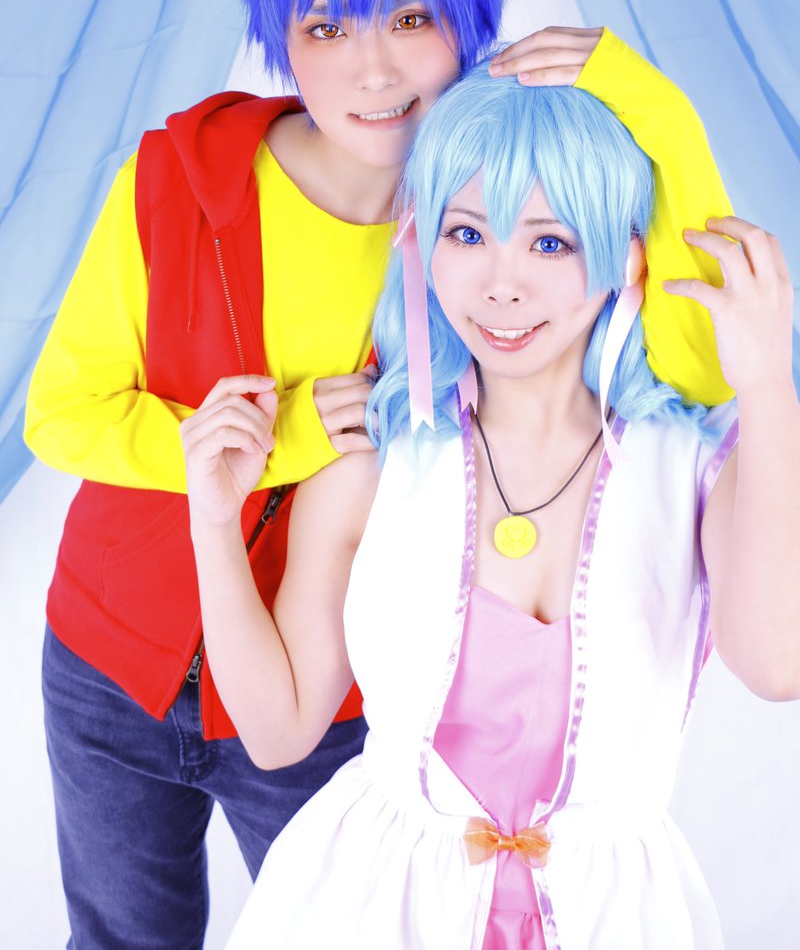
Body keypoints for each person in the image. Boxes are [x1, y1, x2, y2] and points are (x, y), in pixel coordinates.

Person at [25, 0, 731, 948]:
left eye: (410, 18)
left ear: (470, 23)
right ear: (280, 40)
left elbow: (696, 365)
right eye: (324, 27)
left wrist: (663, 116)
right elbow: (61, 414)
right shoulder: (172, 184)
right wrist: (284, 444)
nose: (371, 69)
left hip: (326, 698)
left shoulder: (482, 226)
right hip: (112, 659)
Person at [181, 64, 799, 949]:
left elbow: (777, 665)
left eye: (549, 243)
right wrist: (212, 521)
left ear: (627, 260)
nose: (500, 285)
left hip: (610, 920)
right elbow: (278, 734)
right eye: (466, 232)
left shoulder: (697, 467)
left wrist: (769, 384)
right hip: (375, 909)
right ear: (421, 243)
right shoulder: (375, 461)